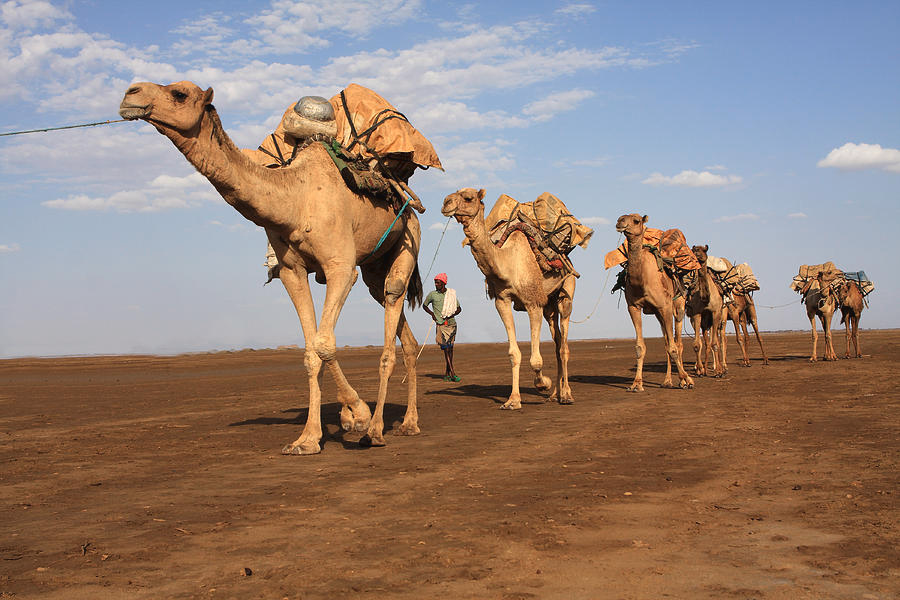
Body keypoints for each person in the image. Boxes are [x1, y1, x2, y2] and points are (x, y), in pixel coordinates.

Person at [423, 273, 462, 381]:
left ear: (444, 283)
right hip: (441, 325)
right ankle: (453, 373)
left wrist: (451, 315)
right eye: (435, 282)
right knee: (446, 349)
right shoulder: (432, 295)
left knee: (450, 349)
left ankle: (446, 374)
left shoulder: (451, 295)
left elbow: (459, 309)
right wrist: (432, 314)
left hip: (452, 324)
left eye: (438, 282)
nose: (436, 284)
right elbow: (424, 305)